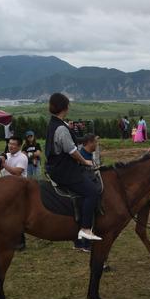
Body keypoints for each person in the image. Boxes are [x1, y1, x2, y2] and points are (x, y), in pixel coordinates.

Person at [45, 93, 101, 241]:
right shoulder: (61, 129)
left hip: (55, 167)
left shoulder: (54, 124)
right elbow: (72, 152)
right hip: (64, 171)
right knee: (92, 192)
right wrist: (85, 162)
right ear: (65, 107)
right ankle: (85, 228)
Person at [73, 133, 99, 252]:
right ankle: (86, 242)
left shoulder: (86, 154)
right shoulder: (82, 156)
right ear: (89, 143)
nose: (96, 144)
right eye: (95, 142)